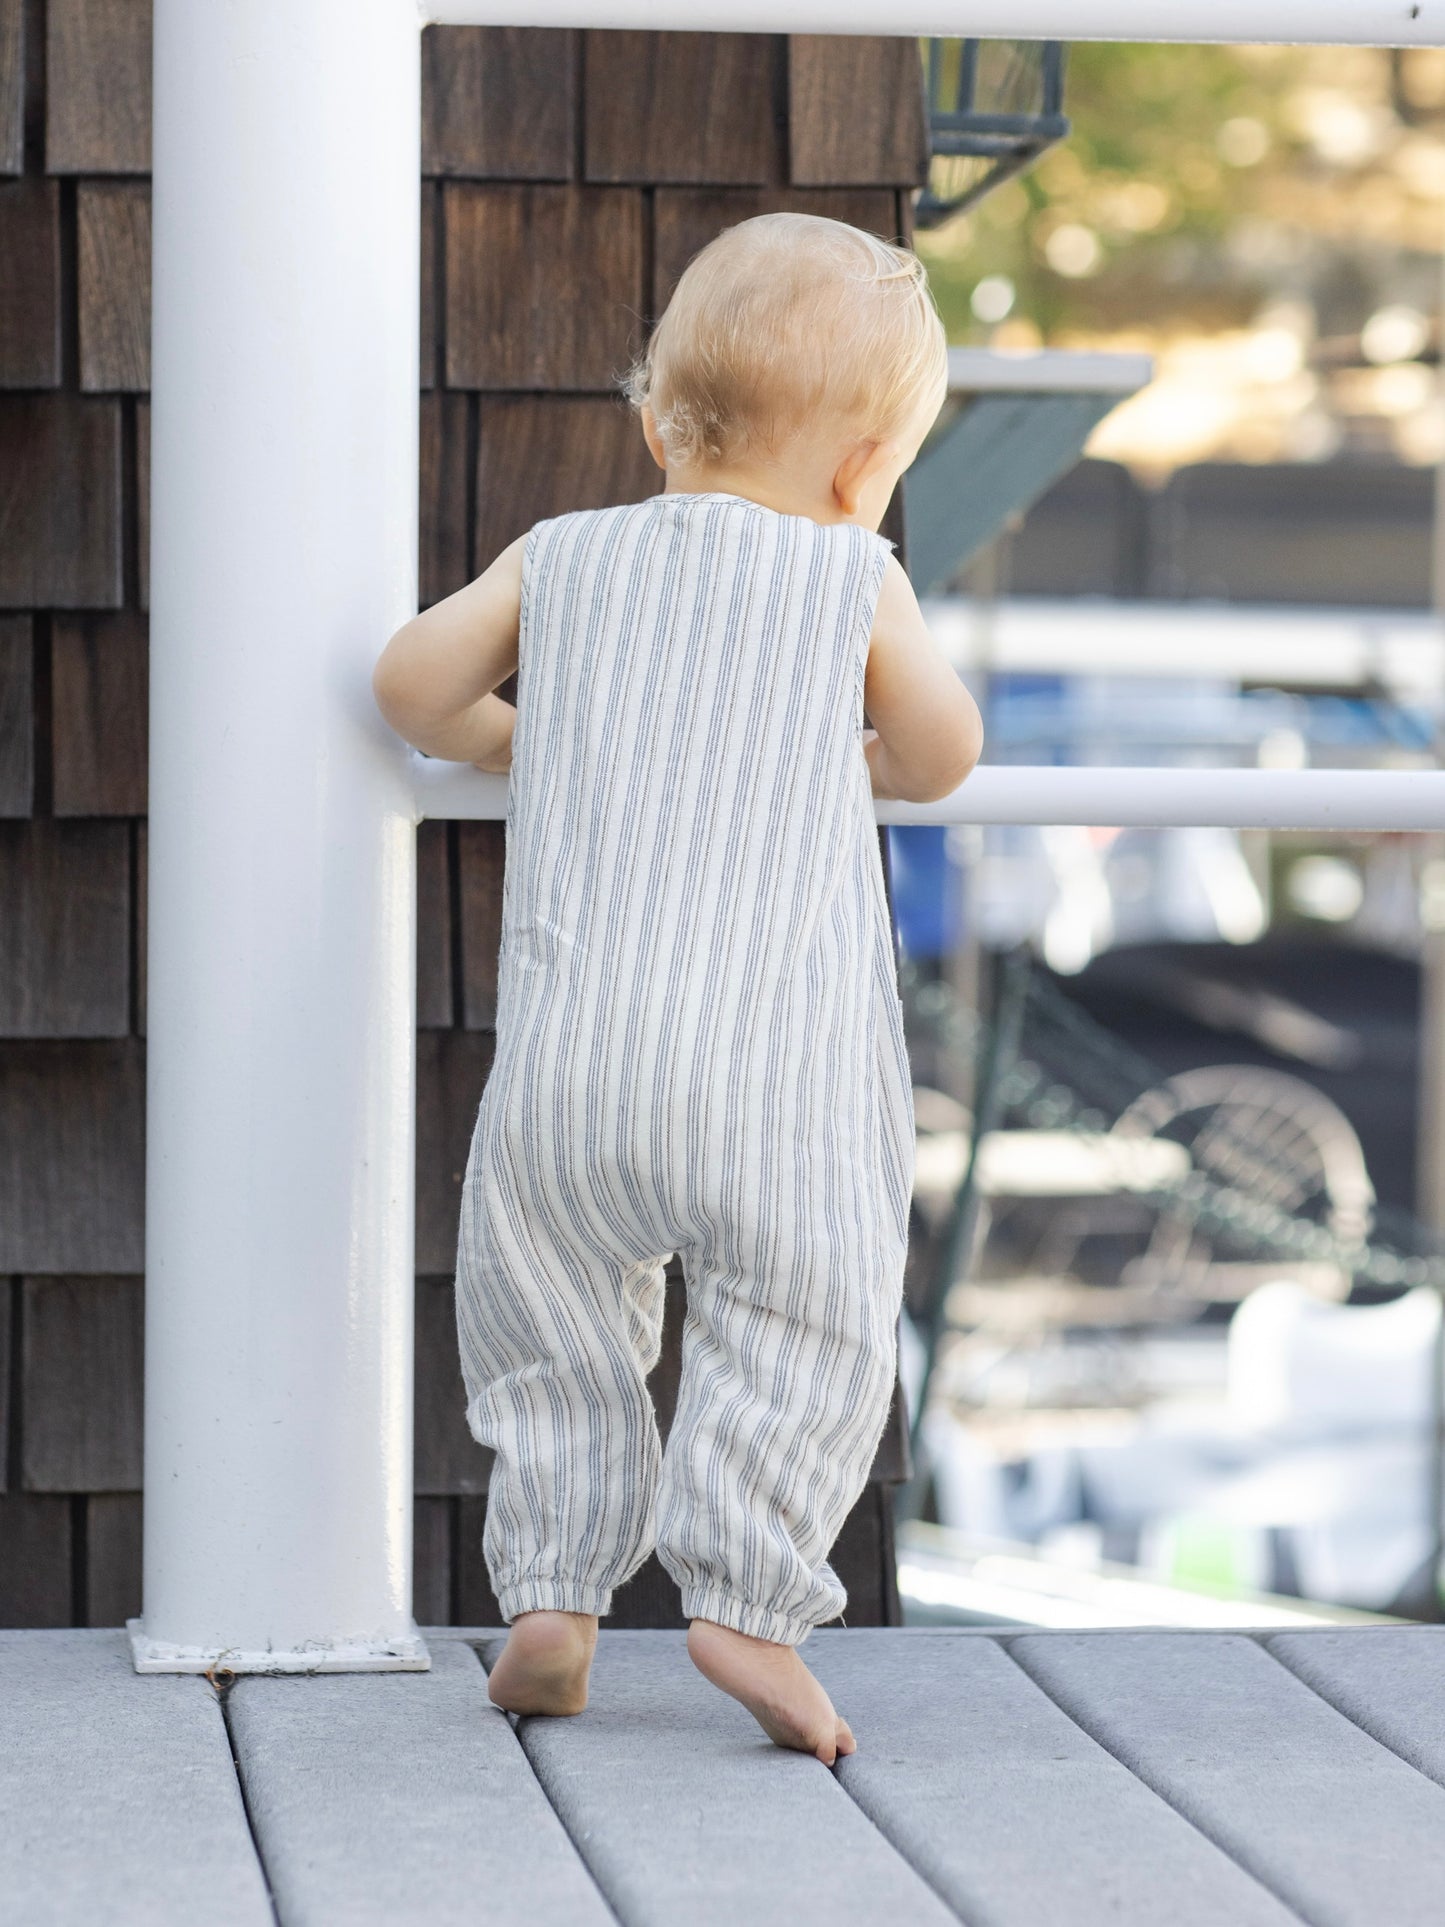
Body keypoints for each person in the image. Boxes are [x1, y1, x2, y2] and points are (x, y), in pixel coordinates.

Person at [372, 212, 983, 1764]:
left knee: (554, 1328)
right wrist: (827, 748)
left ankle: (554, 1599)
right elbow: (935, 758)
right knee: (808, 1317)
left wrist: (530, 736)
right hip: (777, 1087)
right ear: (864, 471)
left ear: (655, 422)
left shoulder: (566, 555)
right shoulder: (851, 573)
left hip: (574, 1080)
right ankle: (750, 1602)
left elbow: (414, 688)